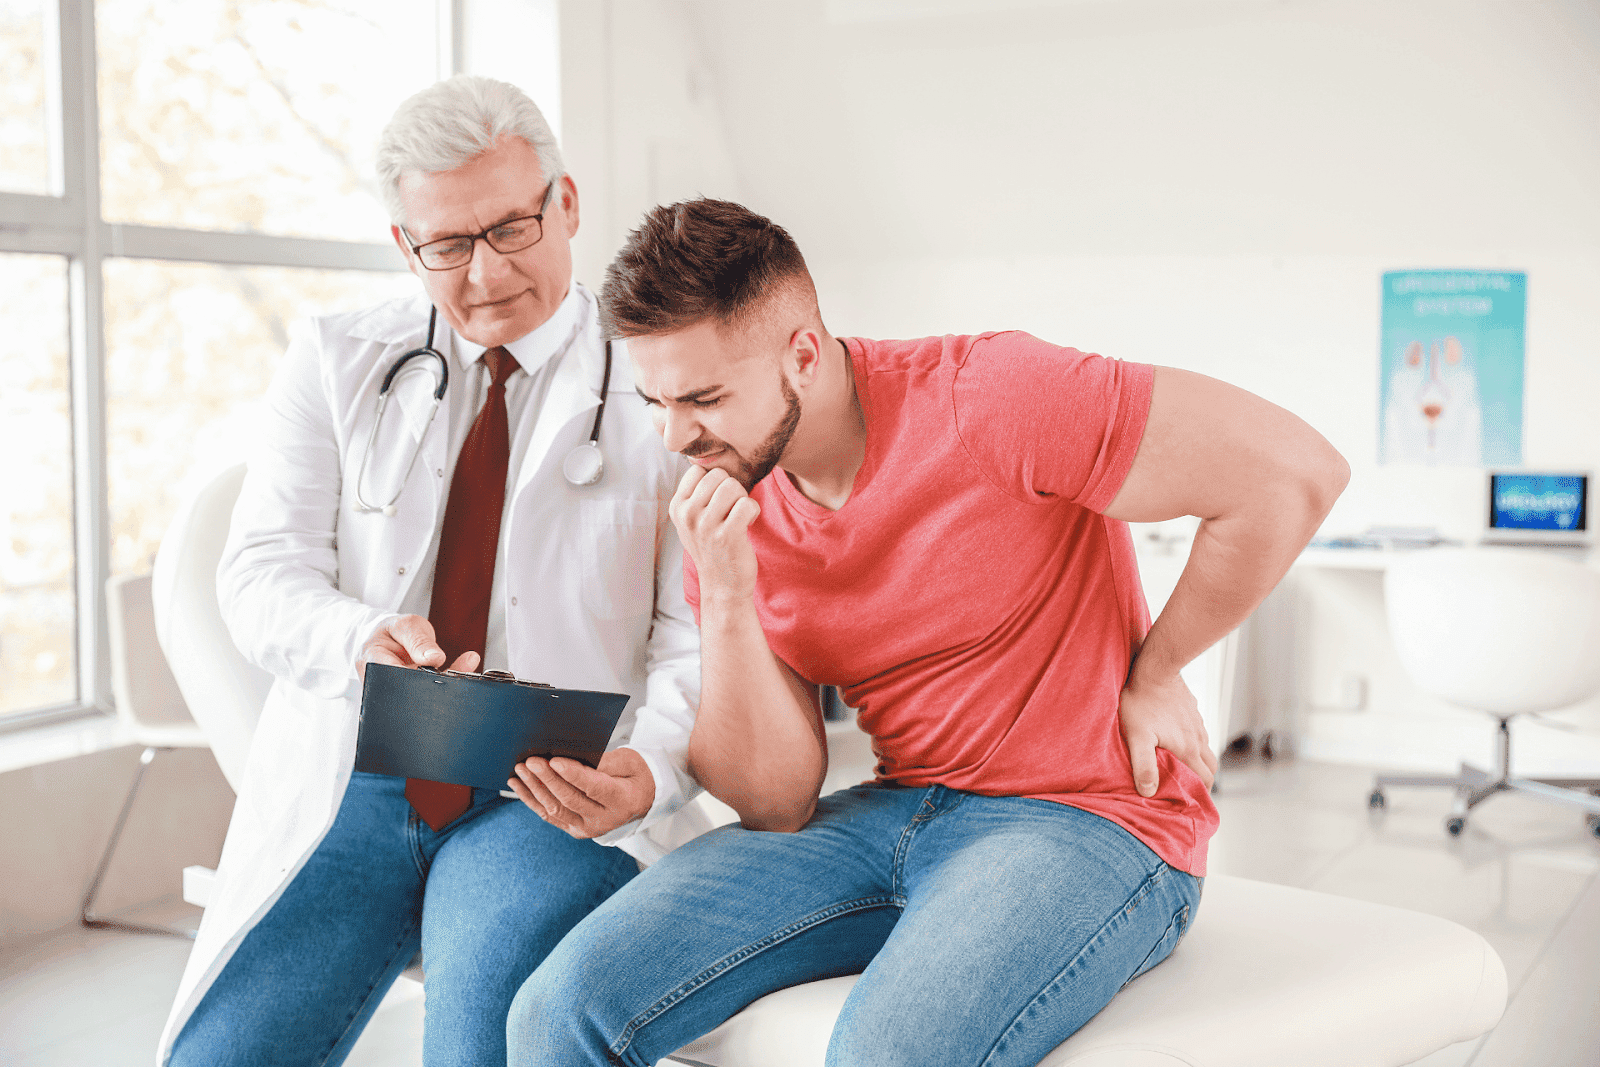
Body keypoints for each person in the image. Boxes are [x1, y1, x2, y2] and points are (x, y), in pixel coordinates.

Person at [507, 198, 1350, 1067]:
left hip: (1087, 817)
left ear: (803, 355)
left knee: (884, 1055)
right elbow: (775, 801)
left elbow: (1292, 474)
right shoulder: (730, 499)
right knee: (556, 1009)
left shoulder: (992, 396)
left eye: (704, 398)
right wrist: (722, 595)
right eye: (654, 400)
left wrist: (1158, 668)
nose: (675, 435)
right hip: (893, 808)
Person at [159, 77, 705, 1067]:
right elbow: (262, 572)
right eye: (447, 245)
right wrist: (357, 637)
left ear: (567, 204)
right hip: (358, 777)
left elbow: (695, 637)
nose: (485, 273)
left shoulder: (661, 380)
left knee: (476, 1046)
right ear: (405, 244)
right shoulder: (335, 358)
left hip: (546, 790)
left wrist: (651, 771)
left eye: (510, 228)